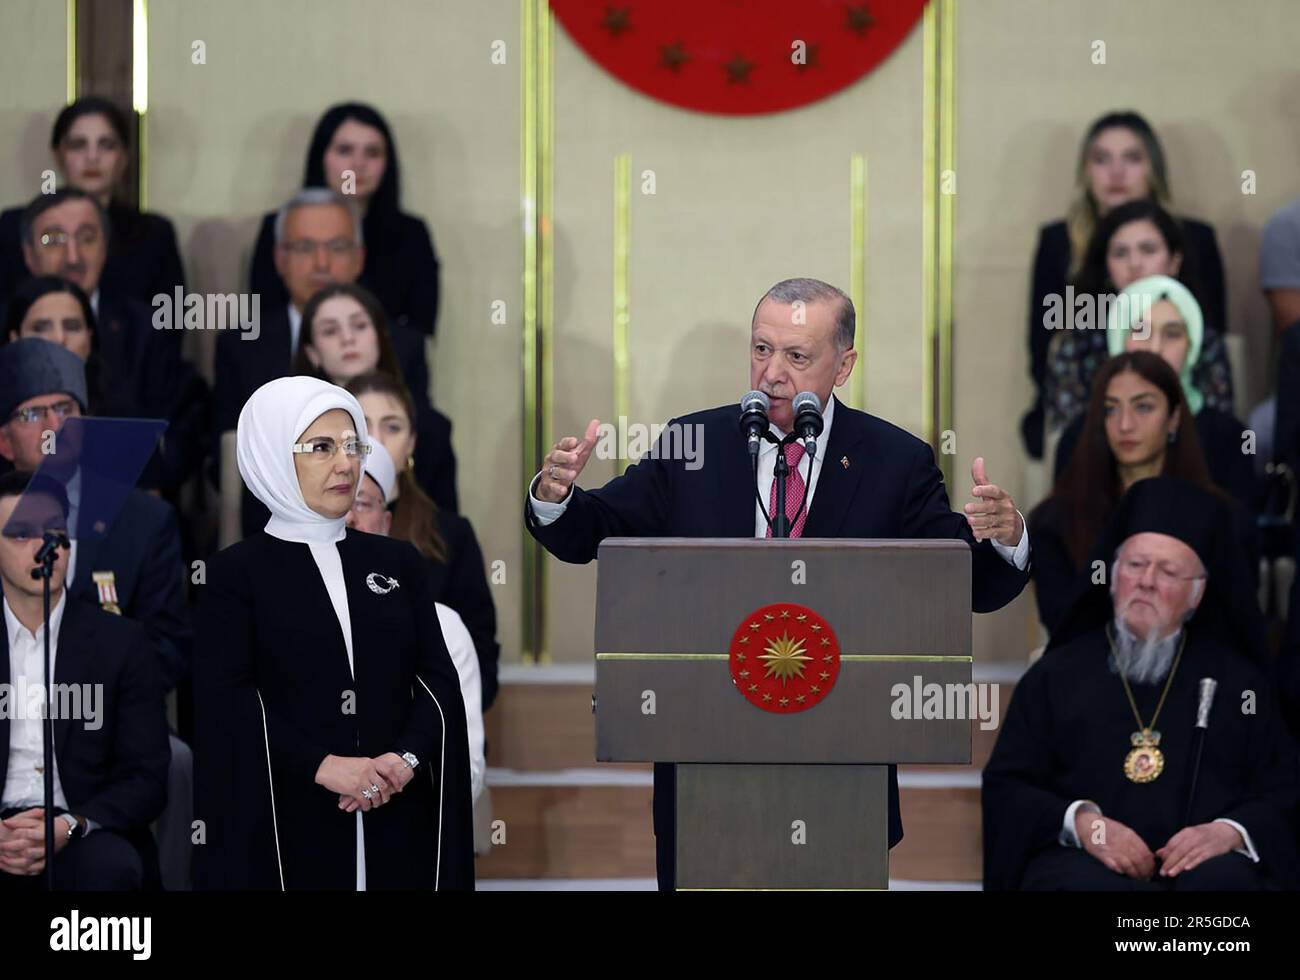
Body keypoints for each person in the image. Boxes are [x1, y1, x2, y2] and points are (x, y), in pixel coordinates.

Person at [525, 277, 1032, 889]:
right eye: (761, 350)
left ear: (844, 366)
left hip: (845, 760)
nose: (771, 374)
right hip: (704, 756)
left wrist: (1004, 539)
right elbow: (599, 532)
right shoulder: (696, 443)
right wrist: (558, 499)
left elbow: (960, 582)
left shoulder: (895, 460)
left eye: (797, 356)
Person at [192, 376, 474, 890]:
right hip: (287, 815)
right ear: (274, 455)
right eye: (321, 448)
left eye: (352, 445)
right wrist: (324, 767)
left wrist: (403, 762)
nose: (346, 463)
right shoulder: (235, 575)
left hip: (397, 803)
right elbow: (228, 703)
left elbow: (437, 682)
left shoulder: (397, 561)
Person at [984, 477, 1298, 891]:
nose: (1146, 581)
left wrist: (1229, 832)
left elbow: (1283, 793)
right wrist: (1082, 823)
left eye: (1168, 571)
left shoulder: (1242, 686)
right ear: (1113, 578)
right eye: (1135, 565)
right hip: (1082, 870)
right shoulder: (1054, 676)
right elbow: (1008, 787)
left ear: (1197, 594)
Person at [0, 469, 170, 890]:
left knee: (109, 869)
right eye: (21, 534)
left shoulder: (121, 642)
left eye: (55, 532)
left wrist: (72, 825)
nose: (45, 548)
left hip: (80, 826)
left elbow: (147, 778)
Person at [1022, 111, 1226, 458]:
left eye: (1131, 158)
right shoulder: (1059, 242)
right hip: (1085, 392)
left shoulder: (1194, 239)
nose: (1116, 172)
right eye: (1102, 159)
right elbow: (1043, 349)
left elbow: (1211, 333)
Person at [0, 338, 191, 694]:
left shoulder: (146, 521)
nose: (56, 427)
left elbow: (168, 648)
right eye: (34, 414)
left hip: (115, 723)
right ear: (4, 443)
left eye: (65, 409)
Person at [15, 191, 207, 498]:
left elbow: (183, 425)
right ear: (28, 254)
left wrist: (151, 485)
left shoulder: (146, 328)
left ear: (105, 248)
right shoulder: (7, 328)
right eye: (54, 240)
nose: (73, 257)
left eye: (87, 238)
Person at [212, 189, 429, 457]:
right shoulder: (240, 348)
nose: (322, 263)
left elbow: (426, 449)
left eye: (337, 247)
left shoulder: (403, 345)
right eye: (305, 247)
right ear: (281, 260)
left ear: (359, 259)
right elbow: (226, 456)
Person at [1031, 352, 1232, 634]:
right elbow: (1061, 625)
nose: (1125, 424)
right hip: (1087, 670)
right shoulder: (1057, 520)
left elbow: (1230, 631)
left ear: (1174, 418)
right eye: (1111, 409)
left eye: (1143, 407)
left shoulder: (1216, 518)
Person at [348, 370, 497, 709]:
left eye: (392, 427)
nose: (375, 440)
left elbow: (481, 661)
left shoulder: (450, 536)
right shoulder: (320, 526)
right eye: (362, 427)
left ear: (412, 442)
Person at [347, 439, 485, 801]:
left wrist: (387, 781)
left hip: (409, 820)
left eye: (361, 502)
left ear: (386, 521)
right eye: (338, 505)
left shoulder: (442, 626)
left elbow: (466, 770)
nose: (349, 518)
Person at [1054, 276, 1254, 510]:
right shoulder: (1079, 436)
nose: (1156, 347)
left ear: (1192, 344)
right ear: (1119, 335)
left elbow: (1241, 538)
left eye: (1172, 334)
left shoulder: (1230, 437)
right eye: (1140, 330)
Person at [1044, 200, 1234, 440]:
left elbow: (1221, 433)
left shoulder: (1204, 340)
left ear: (1174, 261)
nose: (1134, 264)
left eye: (1148, 249)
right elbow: (1071, 440)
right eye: (1120, 253)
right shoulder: (1076, 345)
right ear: (1106, 268)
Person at [247, 103, 440, 337]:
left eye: (372, 153)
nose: (358, 164)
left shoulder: (411, 235)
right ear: (321, 157)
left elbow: (419, 331)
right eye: (345, 150)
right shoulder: (280, 226)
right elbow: (265, 321)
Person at [0, 96, 185, 310]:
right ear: (58, 155)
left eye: (106, 145)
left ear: (124, 157)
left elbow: (169, 326)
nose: (92, 157)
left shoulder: (154, 235)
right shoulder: (14, 227)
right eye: (78, 145)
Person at [294, 283, 457, 515]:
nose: (348, 338)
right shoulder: (295, 427)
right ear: (312, 353)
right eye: (330, 331)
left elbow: (445, 533)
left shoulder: (431, 429)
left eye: (359, 326)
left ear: (380, 338)